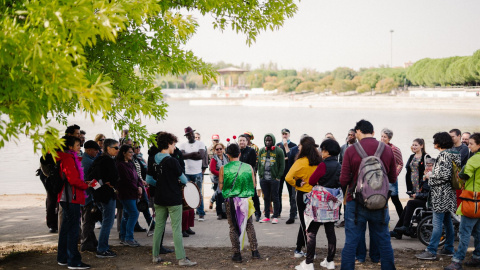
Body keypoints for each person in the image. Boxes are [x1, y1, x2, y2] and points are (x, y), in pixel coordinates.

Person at [340, 119, 397, 270]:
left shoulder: (351, 150)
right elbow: (392, 178)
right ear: (373, 132)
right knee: (384, 241)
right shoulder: (387, 149)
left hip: (356, 204)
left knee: (351, 242)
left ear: (358, 132)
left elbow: (343, 179)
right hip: (380, 202)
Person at [150, 132, 197, 267]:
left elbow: (149, 179)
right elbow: (183, 179)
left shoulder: (153, 159)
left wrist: (160, 184)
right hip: (173, 198)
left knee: (159, 227)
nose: (175, 147)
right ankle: (182, 259)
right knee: (176, 228)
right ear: (169, 144)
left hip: (159, 197)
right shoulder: (172, 160)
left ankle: (155, 255)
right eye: (174, 144)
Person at [295, 139, 341, 270]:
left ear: (326, 151)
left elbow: (312, 180)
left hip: (319, 203)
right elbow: (341, 181)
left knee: (311, 231)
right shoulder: (339, 166)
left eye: (322, 149)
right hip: (332, 203)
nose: (321, 152)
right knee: (330, 231)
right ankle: (330, 261)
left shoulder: (323, 165)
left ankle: (309, 263)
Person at [415, 132, 460, 260]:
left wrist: (429, 176)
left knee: (437, 223)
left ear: (440, 142)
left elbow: (443, 176)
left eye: (435, 140)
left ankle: (431, 250)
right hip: (449, 193)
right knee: (447, 222)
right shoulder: (455, 153)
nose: (434, 142)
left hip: (440, 194)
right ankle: (448, 248)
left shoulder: (444, 155)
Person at [219, 143, 261, 262]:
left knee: (233, 227)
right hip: (245, 200)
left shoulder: (224, 168)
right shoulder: (249, 167)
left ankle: (237, 254)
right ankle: (255, 252)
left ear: (227, 155)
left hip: (231, 201)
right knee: (249, 225)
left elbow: (221, 188)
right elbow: (253, 185)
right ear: (240, 153)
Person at [444, 133, 480, 270]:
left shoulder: (475, 159)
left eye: (471, 143)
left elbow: (463, 175)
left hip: (472, 200)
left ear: (479, 145)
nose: (468, 146)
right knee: (478, 232)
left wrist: (459, 171)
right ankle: (477, 257)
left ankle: (457, 261)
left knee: (464, 232)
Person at [56, 136, 91, 269]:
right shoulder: (68, 158)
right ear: (70, 147)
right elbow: (73, 180)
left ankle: (63, 257)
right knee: (73, 229)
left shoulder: (65, 157)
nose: (79, 147)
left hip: (67, 197)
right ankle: (73, 261)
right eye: (77, 145)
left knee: (66, 228)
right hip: (71, 198)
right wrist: (85, 186)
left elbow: (73, 178)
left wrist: (83, 182)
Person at [285, 136, 322, 259]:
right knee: (310, 223)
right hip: (315, 195)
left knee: (304, 223)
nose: (298, 147)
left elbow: (288, 177)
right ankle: (299, 248)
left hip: (302, 195)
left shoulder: (300, 162)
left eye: (300, 145)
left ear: (304, 148)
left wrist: (296, 182)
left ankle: (308, 251)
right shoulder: (319, 161)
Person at [89, 139, 119, 258]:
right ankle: (102, 249)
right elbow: (113, 178)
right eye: (116, 148)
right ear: (108, 148)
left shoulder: (99, 159)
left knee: (106, 221)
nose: (118, 150)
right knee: (108, 222)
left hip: (101, 196)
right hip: (106, 196)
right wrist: (104, 185)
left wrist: (98, 188)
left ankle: (102, 247)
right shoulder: (107, 161)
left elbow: (91, 179)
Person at [391, 157, 433, 239]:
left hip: (429, 201)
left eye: (430, 165)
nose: (428, 167)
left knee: (411, 203)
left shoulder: (433, 177)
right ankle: (397, 232)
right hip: (425, 199)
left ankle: (405, 226)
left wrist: (417, 195)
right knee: (407, 207)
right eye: (427, 165)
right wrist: (424, 179)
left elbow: (429, 194)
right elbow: (423, 190)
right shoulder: (427, 176)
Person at [116, 145, 142, 247]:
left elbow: (136, 177)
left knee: (127, 215)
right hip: (126, 193)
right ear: (124, 153)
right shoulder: (120, 165)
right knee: (134, 213)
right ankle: (129, 238)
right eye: (130, 152)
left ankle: (123, 236)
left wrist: (140, 185)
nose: (132, 154)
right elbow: (127, 180)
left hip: (133, 193)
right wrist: (137, 188)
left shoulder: (130, 163)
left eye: (132, 152)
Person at [180, 126, 207, 221]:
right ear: (186, 136)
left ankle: (201, 213)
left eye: (191, 133)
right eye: (188, 134)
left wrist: (188, 155)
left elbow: (201, 156)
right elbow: (181, 156)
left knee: (198, 193)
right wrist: (193, 154)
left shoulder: (200, 143)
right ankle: (191, 215)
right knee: (187, 194)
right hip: (186, 173)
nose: (190, 135)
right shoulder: (183, 145)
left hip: (197, 172)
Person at [258, 133, 285, 223]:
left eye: (269, 140)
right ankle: (266, 216)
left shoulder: (279, 151)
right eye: (266, 140)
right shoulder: (262, 150)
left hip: (274, 179)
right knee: (266, 197)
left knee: (275, 197)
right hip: (264, 179)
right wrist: (260, 176)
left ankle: (275, 216)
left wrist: (278, 177)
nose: (268, 142)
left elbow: (282, 165)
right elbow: (258, 164)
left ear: (273, 141)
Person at [80, 140, 101, 252]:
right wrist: (100, 187)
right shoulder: (87, 162)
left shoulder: (86, 159)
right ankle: (86, 244)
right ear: (88, 150)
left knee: (89, 220)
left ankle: (92, 241)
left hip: (85, 196)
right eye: (95, 150)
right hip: (87, 196)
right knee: (88, 221)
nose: (97, 152)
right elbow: (89, 180)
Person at [381, 128, 404, 219]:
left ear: (389, 138)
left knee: (395, 200)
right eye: (382, 136)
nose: (382, 138)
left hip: (391, 180)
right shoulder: (379, 147)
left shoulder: (394, 149)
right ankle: (384, 220)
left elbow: (400, 163)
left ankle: (402, 221)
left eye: (385, 137)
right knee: (382, 201)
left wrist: (394, 175)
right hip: (381, 179)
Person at [239, 134, 262, 221]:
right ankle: (243, 213)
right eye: (240, 140)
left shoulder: (251, 151)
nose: (242, 142)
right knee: (241, 196)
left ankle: (257, 213)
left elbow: (252, 164)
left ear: (247, 142)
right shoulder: (237, 151)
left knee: (253, 195)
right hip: (239, 178)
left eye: (243, 140)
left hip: (249, 176)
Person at [276, 128, 298, 224]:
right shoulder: (278, 145)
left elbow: (293, 158)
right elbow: (276, 158)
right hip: (280, 172)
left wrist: (285, 158)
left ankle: (293, 212)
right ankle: (278, 211)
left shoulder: (294, 146)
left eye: (286, 134)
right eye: (283, 134)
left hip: (290, 172)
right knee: (278, 192)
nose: (284, 135)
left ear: (289, 135)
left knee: (292, 194)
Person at [337, 129, 357, 228]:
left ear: (356, 136)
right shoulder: (343, 148)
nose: (350, 136)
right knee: (341, 198)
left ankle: (349, 219)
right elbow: (340, 162)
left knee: (351, 199)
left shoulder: (358, 148)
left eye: (352, 135)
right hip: (344, 177)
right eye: (348, 134)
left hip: (354, 179)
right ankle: (339, 218)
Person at [209, 142, 229, 220]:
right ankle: (219, 213)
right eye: (217, 149)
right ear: (215, 150)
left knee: (226, 197)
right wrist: (221, 174)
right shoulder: (214, 159)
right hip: (217, 180)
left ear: (223, 149)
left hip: (226, 179)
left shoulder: (226, 157)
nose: (219, 150)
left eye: (221, 149)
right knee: (219, 196)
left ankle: (225, 213)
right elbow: (212, 170)